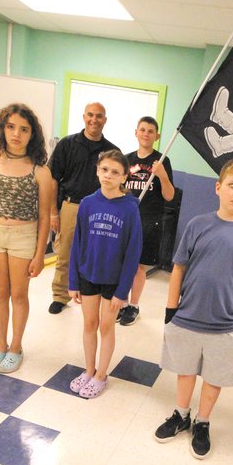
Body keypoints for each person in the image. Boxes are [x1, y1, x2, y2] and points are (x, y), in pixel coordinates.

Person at [154, 159, 233, 459]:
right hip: (188, 317)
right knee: (185, 370)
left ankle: (202, 421)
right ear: (218, 187)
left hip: (227, 325)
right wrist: (171, 310)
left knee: (214, 379)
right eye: (232, 185)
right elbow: (179, 267)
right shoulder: (198, 225)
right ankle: (181, 414)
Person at [0, 103, 54, 373]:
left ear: (32, 135)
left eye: (24, 129)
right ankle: (0, 345)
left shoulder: (40, 171)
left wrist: (40, 254)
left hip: (23, 236)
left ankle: (16, 346)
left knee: (18, 294)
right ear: (2, 129)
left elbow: (44, 216)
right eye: (10, 127)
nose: (16, 134)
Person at [67, 150, 142, 399]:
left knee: (106, 327)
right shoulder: (88, 203)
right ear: (98, 170)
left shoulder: (130, 208)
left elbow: (133, 253)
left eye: (115, 172)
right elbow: (77, 244)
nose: (108, 175)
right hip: (88, 274)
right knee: (89, 324)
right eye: (105, 169)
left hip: (113, 281)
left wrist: (124, 291)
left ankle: (101, 375)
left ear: (124, 178)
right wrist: (73, 281)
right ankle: (89, 370)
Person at [47, 102, 119, 314]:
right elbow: (53, 180)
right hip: (70, 206)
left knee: (96, 253)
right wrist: (53, 211)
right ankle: (60, 296)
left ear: (105, 120)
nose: (94, 120)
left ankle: (91, 294)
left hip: (100, 209)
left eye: (99, 116)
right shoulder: (67, 145)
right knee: (65, 254)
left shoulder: (111, 151)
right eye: (90, 115)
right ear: (83, 116)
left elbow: (117, 184)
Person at [118, 116, 175, 326]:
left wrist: (162, 176)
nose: (146, 134)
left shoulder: (162, 161)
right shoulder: (126, 159)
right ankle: (122, 303)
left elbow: (169, 196)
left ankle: (133, 305)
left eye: (150, 131)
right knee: (123, 263)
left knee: (139, 266)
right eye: (142, 130)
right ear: (136, 132)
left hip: (150, 220)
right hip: (127, 218)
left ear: (157, 136)